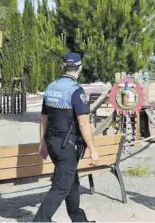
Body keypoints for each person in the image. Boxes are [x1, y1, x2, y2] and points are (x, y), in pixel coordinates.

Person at [33, 52, 99, 222]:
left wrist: (42, 143)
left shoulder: (51, 87)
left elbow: (44, 118)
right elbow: (83, 123)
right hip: (67, 146)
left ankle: (79, 219)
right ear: (80, 68)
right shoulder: (76, 91)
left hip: (52, 144)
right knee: (61, 187)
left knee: (71, 181)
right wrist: (93, 150)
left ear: (63, 67)